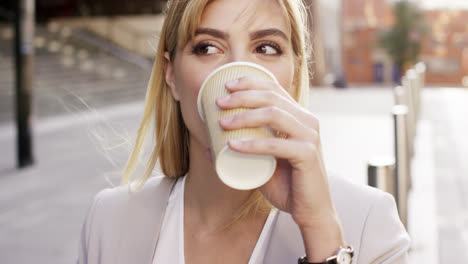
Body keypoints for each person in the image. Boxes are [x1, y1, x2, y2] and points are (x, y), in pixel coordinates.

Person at [77, 0, 410, 263]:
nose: (236, 79)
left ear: (292, 76)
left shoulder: (368, 222)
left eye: (266, 48)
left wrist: (320, 229)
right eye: (207, 47)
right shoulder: (109, 221)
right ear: (171, 75)